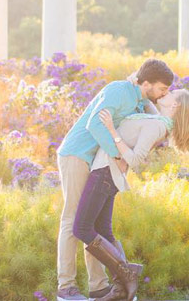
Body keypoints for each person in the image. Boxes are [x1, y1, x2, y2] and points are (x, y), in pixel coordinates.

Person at [56, 59, 175, 301]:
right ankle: (66, 286)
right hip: (77, 154)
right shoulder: (118, 91)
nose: (165, 93)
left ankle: (98, 286)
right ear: (148, 83)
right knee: (73, 220)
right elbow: (95, 125)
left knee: (91, 223)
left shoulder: (139, 101)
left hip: (95, 161)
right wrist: (118, 155)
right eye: (162, 88)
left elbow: (159, 119)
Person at [72, 88, 189, 301]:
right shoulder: (158, 120)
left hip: (105, 172)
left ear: (175, 106)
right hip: (108, 173)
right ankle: (121, 288)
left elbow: (135, 158)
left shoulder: (156, 125)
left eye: (171, 94)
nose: (166, 93)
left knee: (82, 228)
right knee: (103, 230)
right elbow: (145, 97)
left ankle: (126, 274)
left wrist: (112, 131)